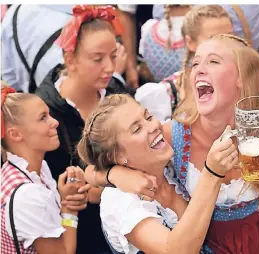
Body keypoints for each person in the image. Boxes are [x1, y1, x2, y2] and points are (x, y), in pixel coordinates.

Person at [90, 34, 259, 253]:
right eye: (195, 63)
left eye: (213, 62)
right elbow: (94, 163)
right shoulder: (173, 136)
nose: (199, 68)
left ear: (240, 78)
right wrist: (116, 173)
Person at [77, 94, 238, 253]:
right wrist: (211, 175)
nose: (153, 126)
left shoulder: (168, 162)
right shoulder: (120, 200)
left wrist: (111, 173)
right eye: (137, 129)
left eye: (148, 117)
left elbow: (92, 171)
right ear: (117, 156)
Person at [35, 5, 132, 254]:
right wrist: (62, 193)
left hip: (124, 229)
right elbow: (33, 181)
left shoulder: (118, 96)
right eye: (97, 59)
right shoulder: (44, 111)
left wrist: (107, 190)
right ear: (71, 61)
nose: (110, 67)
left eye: (113, 55)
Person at [1, 84, 89, 253]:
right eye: (43, 118)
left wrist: (68, 196)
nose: (55, 122)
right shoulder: (27, 195)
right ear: (15, 134)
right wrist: (70, 209)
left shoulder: (35, 169)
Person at [136, 5, 233, 121]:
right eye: (214, 38)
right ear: (190, 42)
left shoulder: (243, 77)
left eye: (230, 37)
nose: (225, 44)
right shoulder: (169, 92)